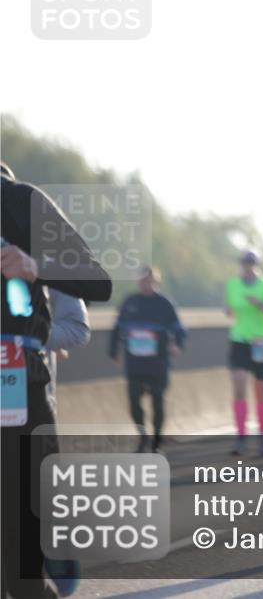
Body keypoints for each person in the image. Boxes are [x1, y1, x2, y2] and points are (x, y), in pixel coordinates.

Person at [1, 169, 112, 598]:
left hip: (14, 389)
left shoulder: (19, 201)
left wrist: (35, 267)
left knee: (20, 570)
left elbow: (96, 280)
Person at [109, 265, 186, 453]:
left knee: (157, 401)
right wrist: (113, 351)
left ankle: (156, 440)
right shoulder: (130, 302)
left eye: (149, 281)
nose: (145, 284)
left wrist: (177, 345)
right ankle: (143, 436)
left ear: (156, 282)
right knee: (134, 402)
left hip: (158, 362)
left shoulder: (164, 304)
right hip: (135, 362)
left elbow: (179, 330)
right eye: (142, 280)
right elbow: (117, 328)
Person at [224, 250, 263, 456]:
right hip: (239, 340)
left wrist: (259, 304)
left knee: (260, 391)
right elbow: (230, 310)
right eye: (244, 263)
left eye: (251, 263)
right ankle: (241, 437)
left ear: (257, 264)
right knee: (239, 388)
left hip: (262, 342)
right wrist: (229, 311)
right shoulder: (232, 285)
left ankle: (262, 437)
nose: (247, 266)